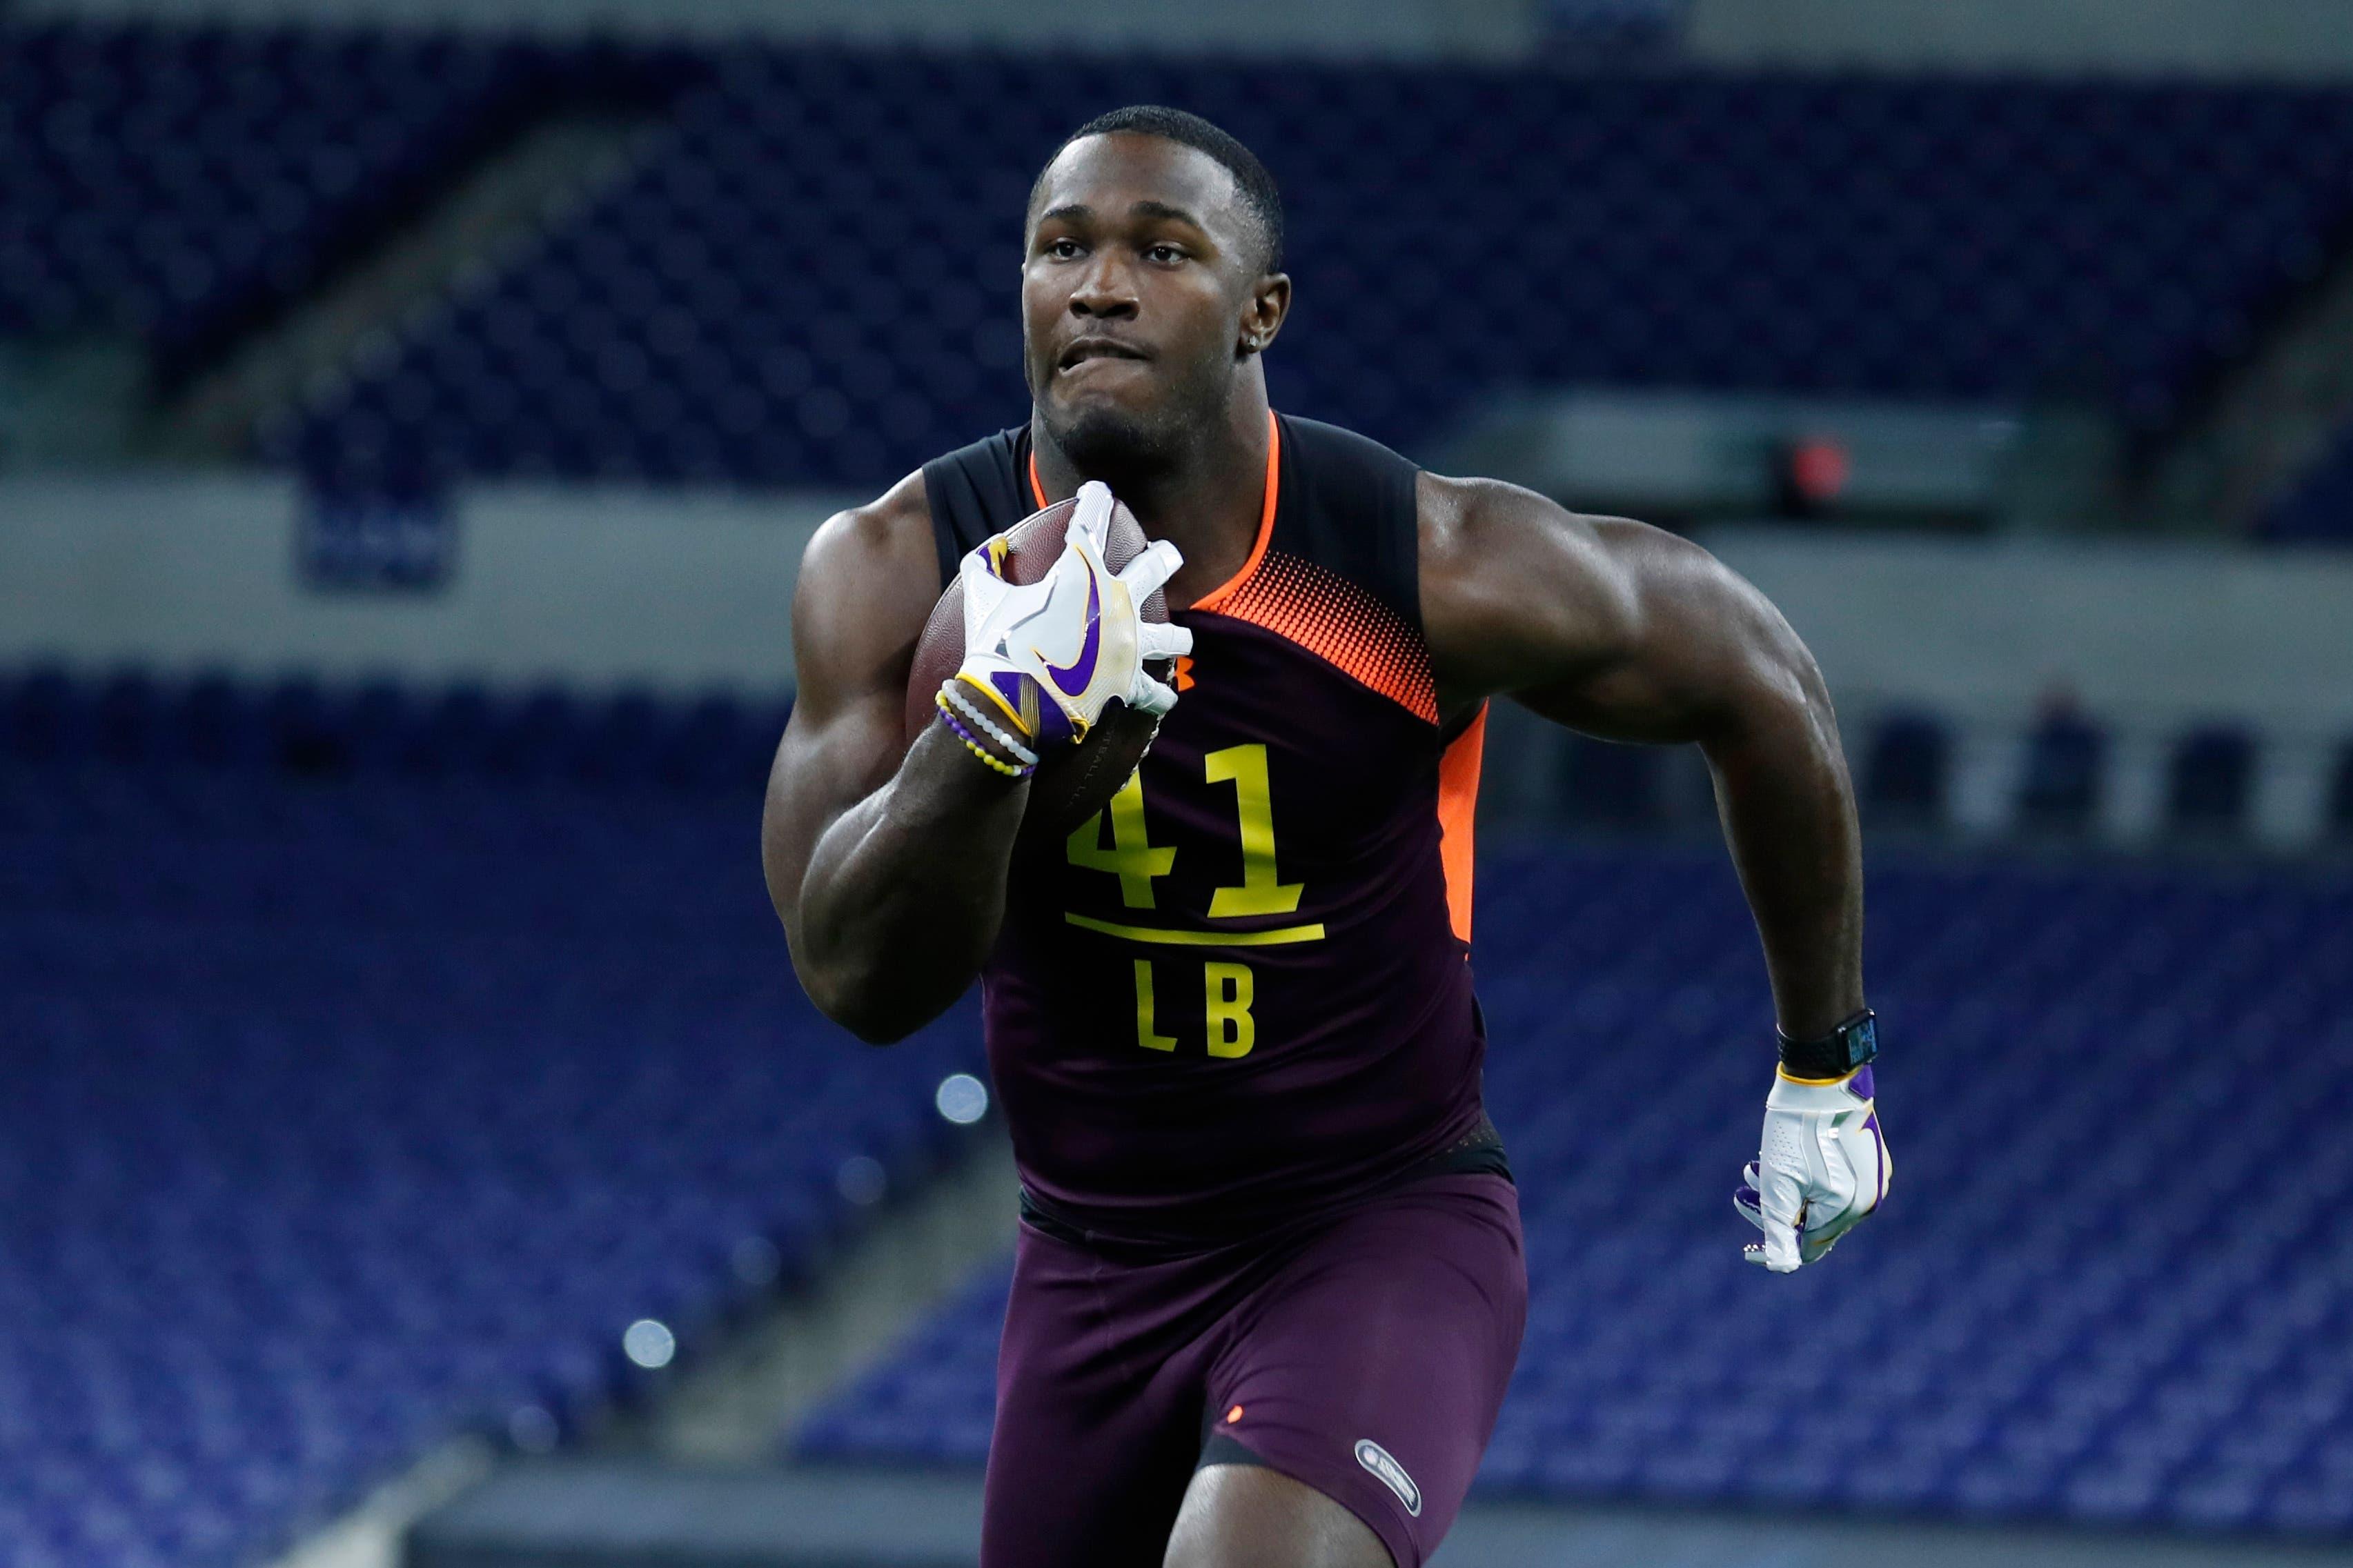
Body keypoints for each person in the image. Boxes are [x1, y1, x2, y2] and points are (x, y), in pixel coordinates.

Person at [762, 105, 1889, 1568]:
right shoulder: (892, 570)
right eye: (1061, 249)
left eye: (1163, 250)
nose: (1099, 286)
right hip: (1088, 1263)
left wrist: (1825, 1066)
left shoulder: (1421, 567)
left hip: (1373, 1226)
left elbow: (1762, 683)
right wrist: (986, 736)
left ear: (1260, 312)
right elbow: (856, 982)